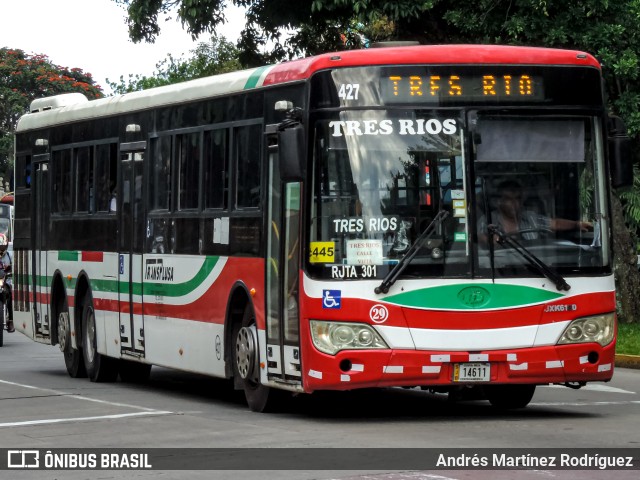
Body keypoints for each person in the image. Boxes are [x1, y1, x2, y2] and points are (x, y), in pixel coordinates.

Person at [478, 179, 592, 244]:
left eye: (517, 198)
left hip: (533, 268)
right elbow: (478, 236)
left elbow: (555, 223)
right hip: (500, 270)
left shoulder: (530, 217)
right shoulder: (488, 219)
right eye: (509, 199)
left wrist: (577, 224)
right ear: (499, 202)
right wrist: (492, 240)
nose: (514, 203)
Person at [0, 233, 13, 333]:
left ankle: (10, 321)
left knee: (10, 296)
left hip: (5, 282)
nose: (1, 248)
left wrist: (11, 270)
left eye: (3, 246)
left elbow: (14, 268)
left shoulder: (9, 255)